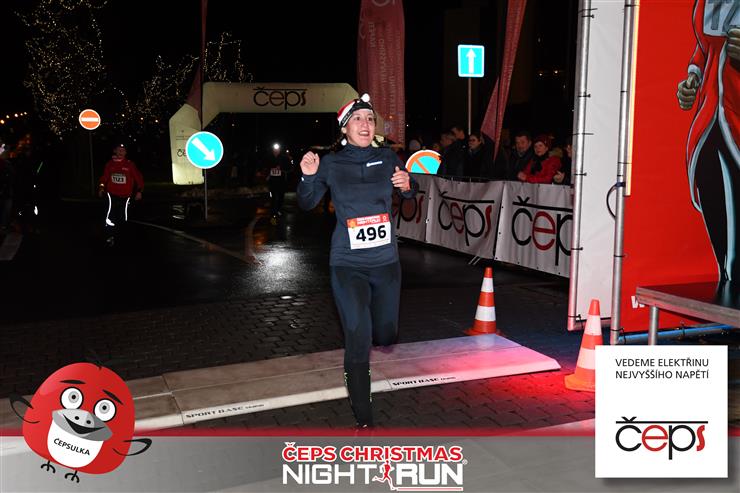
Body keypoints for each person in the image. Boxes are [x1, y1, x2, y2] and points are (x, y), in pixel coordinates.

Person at [297, 93, 417, 428]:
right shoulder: (331, 164)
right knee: (358, 337)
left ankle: (380, 334)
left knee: (386, 335)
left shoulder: (387, 157)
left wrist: (408, 184)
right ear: (344, 128)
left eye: (370, 119)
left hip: (386, 263)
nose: (365, 125)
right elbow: (307, 203)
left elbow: (409, 189)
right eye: (358, 120)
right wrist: (308, 177)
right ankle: (364, 417)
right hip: (347, 264)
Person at [676, 0, 739, 282]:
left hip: (736, 110)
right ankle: (728, 278)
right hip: (711, 112)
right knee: (708, 185)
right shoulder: (705, 3)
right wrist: (693, 77)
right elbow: (704, 49)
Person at [98, 143, 144, 246]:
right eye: (118, 150)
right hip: (112, 194)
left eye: (122, 150)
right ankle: (110, 236)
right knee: (110, 216)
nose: (120, 152)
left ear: (125, 152)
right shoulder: (110, 164)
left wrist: (139, 191)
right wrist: (101, 188)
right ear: (115, 151)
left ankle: (122, 238)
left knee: (123, 217)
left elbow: (138, 178)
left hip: (125, 196)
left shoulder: (129, 164)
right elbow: (104, 178)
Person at [265, 143, 291, 223]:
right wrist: (267, 174)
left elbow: (289, 167)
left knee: (280, 196)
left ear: (279, 150)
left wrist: (281, 168)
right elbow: (265, 167)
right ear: (273, 150)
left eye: (277, 149)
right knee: (272, 196)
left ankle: (279, 209)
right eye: (274, 149)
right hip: (272, 181)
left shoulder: (284, 158)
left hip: (281, 180)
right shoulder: (269, 158)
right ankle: (273, 211)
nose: (276, 151)